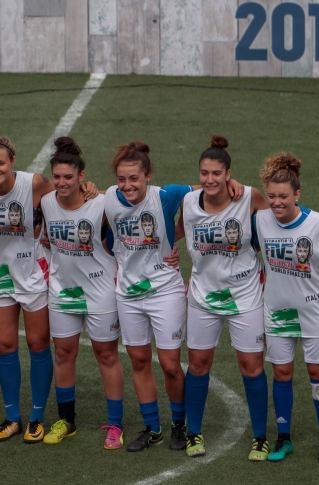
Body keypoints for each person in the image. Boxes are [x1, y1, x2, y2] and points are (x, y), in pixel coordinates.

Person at [103, 140, 242, 453]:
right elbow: (90, 199)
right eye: (122, 179)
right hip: (127, 294)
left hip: (165, 291)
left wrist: (231, 181)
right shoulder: (110, 197)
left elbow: (208, 185)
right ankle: (153, 429)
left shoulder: (168, 194)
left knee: (168, 364)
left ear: (149, 176)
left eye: (134, 178)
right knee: (139, 360)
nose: (127, 185)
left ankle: (179, 424)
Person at [0, 136, 95, 443]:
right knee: (5, 347)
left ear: (13, 162)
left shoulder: (34, 183)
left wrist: (88, 188)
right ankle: (12, 417)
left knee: (39, 347)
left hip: (33, 276)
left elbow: (68, 199)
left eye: (0, 163)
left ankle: (37, 417)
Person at [179, 136, 272, 461]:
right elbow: (167, 225)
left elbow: (280, 213)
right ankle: (194, 432)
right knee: (198, 364)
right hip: (202, 297)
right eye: (204, 173)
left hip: (246, 297)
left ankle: (260, 437)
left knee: (251, 365)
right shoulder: (188, 201)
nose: (210, 179)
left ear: (228, 173)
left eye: (217, 173)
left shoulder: (249, 198)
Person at [255, 152, 319, 464]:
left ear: (297, 194)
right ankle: (283, 438)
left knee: (317, 371)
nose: (277, 203)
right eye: (271, 197)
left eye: (283, 197)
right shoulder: (259, 220)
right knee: (281, 372)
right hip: (276, 310)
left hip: (314, 310)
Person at [38, 137, 125, 450]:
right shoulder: (46, 201)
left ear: (81, 177)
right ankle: (67, 420)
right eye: (57, 177)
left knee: (106, 355)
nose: (62, 183)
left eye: (69, 177)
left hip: (100, 292)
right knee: (63, 354)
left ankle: (115, 424)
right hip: (62, 292)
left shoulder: (101, 204)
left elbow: (135, 201)